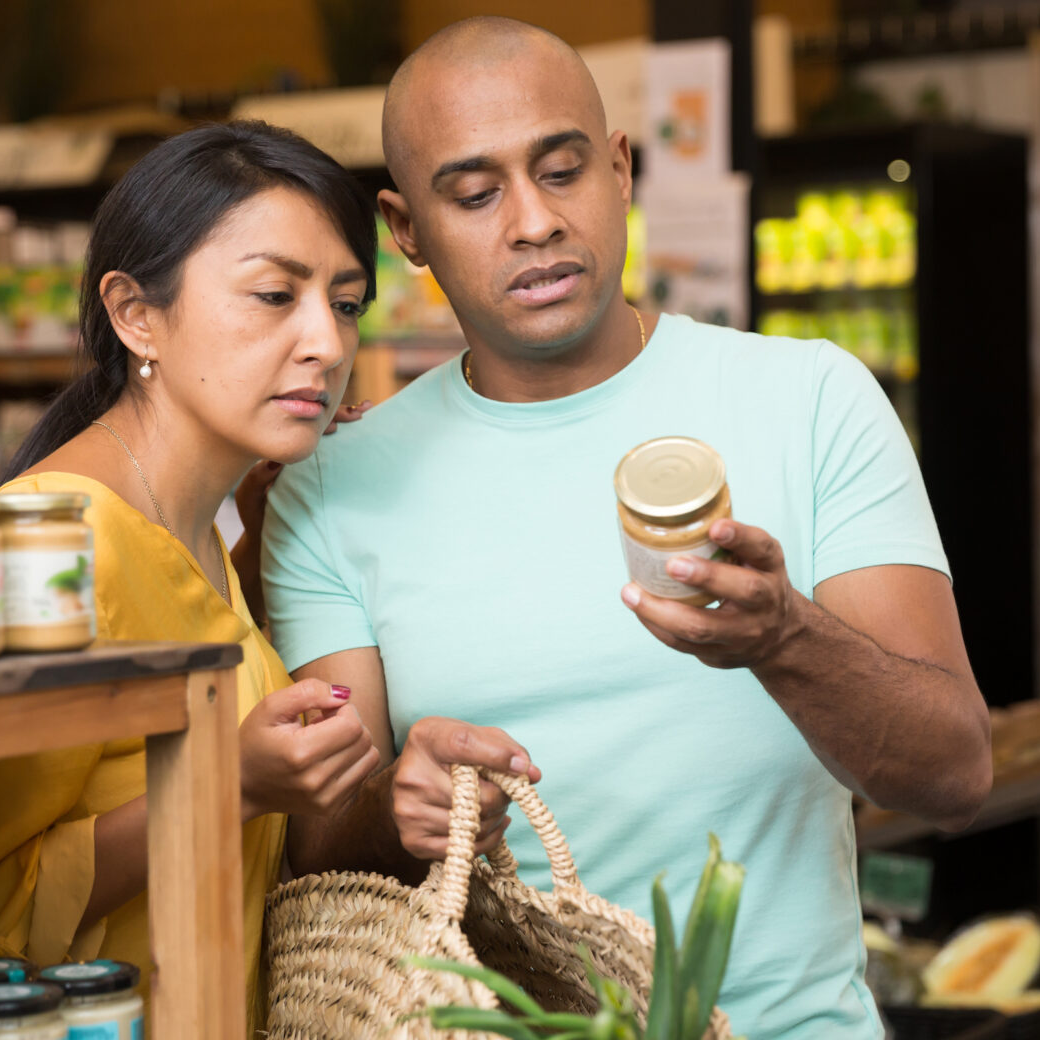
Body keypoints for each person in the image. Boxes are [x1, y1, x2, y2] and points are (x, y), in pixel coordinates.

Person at [260, 18, 992, 1037]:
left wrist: (787, 637)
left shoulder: (811, 397)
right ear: (405, 229)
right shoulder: (335, 487)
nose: (532, 222)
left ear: (620, 171)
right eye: (474, 195)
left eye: (562, 171)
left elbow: (954, 771)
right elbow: (313, 852)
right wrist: (395, 803)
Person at [0, 121, 382, 1030]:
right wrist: (230, 785)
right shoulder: (47, 547)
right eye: (274, 294)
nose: (326, 343)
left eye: (345, 304)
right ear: (135, 313)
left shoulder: (197, 531)